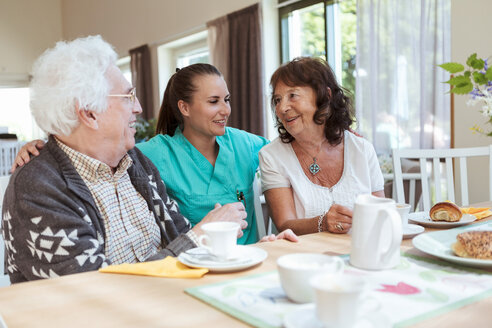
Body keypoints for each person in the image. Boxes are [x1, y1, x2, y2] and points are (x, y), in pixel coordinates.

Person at [1, 35, 250, 283]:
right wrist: (201, 237)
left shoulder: (136, 162)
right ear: (89, 113)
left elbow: (179, 234)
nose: (139, 107)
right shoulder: (36, 188)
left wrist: (242, 254)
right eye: (128, 97)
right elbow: (100, 288)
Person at [136, 64, 271, 244]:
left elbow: (284, 152)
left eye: (227, 99)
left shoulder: (242, 143)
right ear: (185, 108)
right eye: (214, 101)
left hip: (251, 262)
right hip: (197, 265)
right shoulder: (159, 152)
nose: (226, 110)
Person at [259, 57, 384, 236]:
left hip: (360, 254)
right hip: (304, 259)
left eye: (292, 96)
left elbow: (381, 212)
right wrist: (322, 223)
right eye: (277, 100)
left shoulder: (362, 149)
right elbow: (285, 224)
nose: (282, 108)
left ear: (325, 95)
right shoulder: (272, 156)